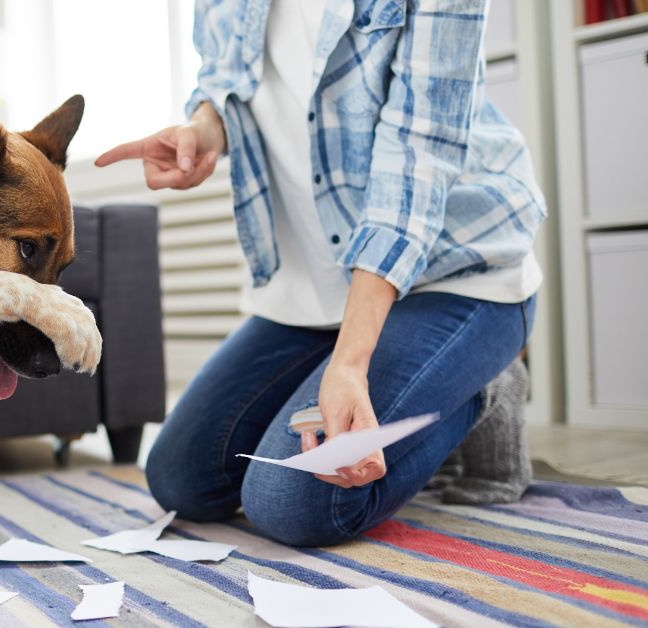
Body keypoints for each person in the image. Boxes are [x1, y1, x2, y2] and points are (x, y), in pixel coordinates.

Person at [97, 0, 544, 546]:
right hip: (316, 288)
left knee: (293, 503)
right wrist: (203, 130)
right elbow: (226, 78)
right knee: (181, 478)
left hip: (456, 272)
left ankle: (482, 385)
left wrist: (351, 365)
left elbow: (415, 165)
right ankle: (403, 374)